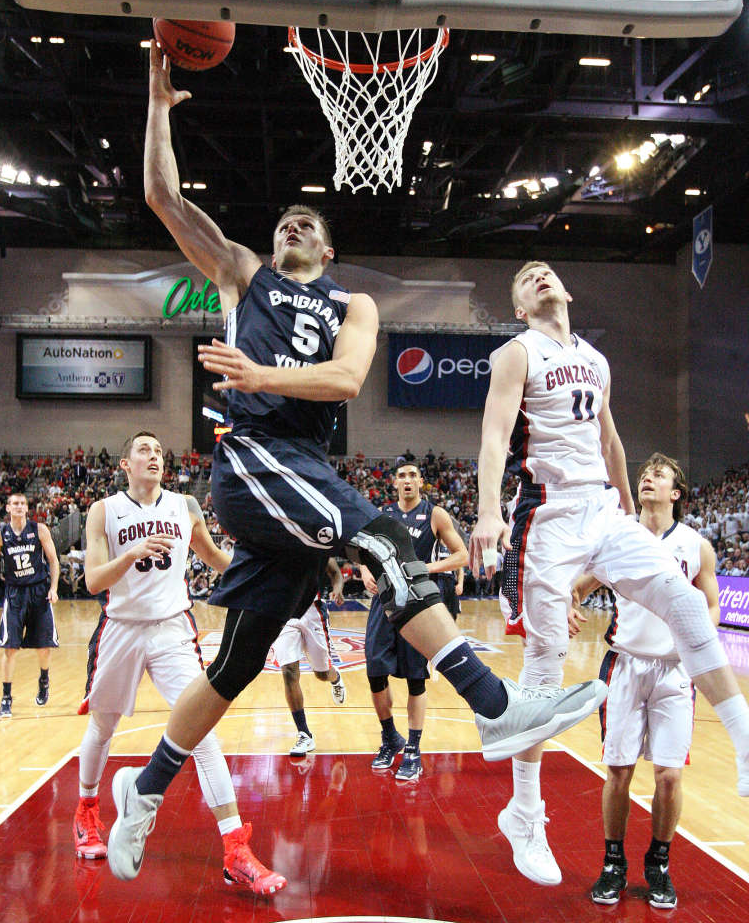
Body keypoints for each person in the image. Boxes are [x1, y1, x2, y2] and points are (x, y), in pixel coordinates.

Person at [105, 47, 607, 884]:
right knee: (380, 537)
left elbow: (344, 379)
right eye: (282, 224)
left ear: (329, 249)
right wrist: (158, 105)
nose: (290, 227)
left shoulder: (354, 304)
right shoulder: (242, 276)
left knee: (233, 665)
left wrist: (259, 374)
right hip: (258, 460)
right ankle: (496, 706)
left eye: (306, 224)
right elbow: (162, 196)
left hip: (299, 461)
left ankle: (146, 790)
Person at [469, 260, 749, 888]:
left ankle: (742, 735)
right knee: (544, 668)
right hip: (547, 515)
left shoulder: (596, 359)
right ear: (519, 306)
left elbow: (611, 441)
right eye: (525, 278)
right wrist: (489, 512)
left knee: (679, 596)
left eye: (546, 272)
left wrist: (625, 505)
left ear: (565, 291)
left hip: (603, 508)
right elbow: (493, 435)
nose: (539, 277)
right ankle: (525, 813)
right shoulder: (517, 352)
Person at [74, 430, 285, 895]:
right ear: (125, 465)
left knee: (203, 734)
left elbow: (212, 557)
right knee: (103, 728)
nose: (153, 456)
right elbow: (91, 581)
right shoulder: (104, 511)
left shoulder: (184, 506)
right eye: (143, 450)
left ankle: (235, 850)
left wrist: (266, 575)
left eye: (159, 452)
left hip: (172, 629)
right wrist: (128, 554)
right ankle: (87, 811)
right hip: (121, 628)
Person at [578, 453, 719, 910]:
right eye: (643, 475)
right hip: (625, 664)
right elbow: (578, 586)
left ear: (675, 493)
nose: (647, 479)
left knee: (670, 775)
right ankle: (613, 863)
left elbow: (712, 605)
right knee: (618, 771)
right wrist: (568, 602)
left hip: (675, 671)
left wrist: (700, 635)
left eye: (658, 475)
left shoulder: (695, 546)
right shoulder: (620, 539)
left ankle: (659, 863)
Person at [361, 461, 468, 783]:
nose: (407, 481)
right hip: (384, 601)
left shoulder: (435, 514)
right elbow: (362, 551)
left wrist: (425, 568)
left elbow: (461, 555)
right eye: (401, 476)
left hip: (418, 604)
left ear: (421, 482)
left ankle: (413, 749)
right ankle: (389, 736)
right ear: (394, 483)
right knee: (375, 672)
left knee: (415, 678)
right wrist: (366, 572)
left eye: (412, 475)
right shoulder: (382, 514)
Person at [0, 493, 60, 718]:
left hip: (38, 591)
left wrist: (53, 587)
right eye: (15, 503)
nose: (19, 507)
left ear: (27, 508)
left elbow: (54, 560)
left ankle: (44, 679)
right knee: (9, 648)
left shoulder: (40, 530)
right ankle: (6, 698)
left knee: (44, 647)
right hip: (15, 594)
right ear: (8, 507)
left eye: (22, 504)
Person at [273, 558, 347, 756]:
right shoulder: (271, 538)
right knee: (289, 672)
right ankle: (304, 733)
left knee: (322, 674)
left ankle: (335, 678)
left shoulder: (314, 541)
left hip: (312, 611)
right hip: (283, 613)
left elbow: (334, 572)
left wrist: (338, 588)